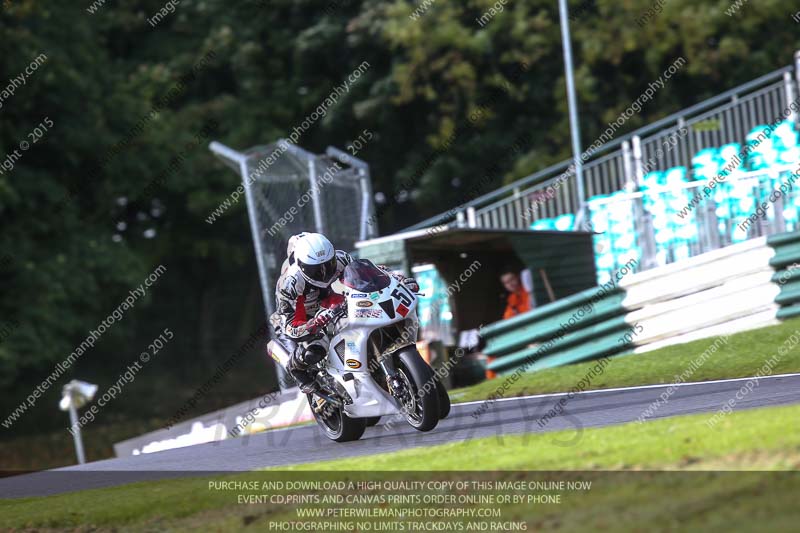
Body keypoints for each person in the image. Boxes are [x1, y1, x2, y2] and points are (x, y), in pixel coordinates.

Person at [270, 232, 418, 393]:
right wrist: (314, 323)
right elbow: (291, 327)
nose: (324, 272)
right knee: (315, 350)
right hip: (304, 316)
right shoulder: (289, 284)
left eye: (328, 264)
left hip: (335, 303)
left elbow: (373, 273)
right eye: (316, 269)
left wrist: (400, 280)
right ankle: (296, 368)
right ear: (301, 265)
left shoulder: (342, 259)